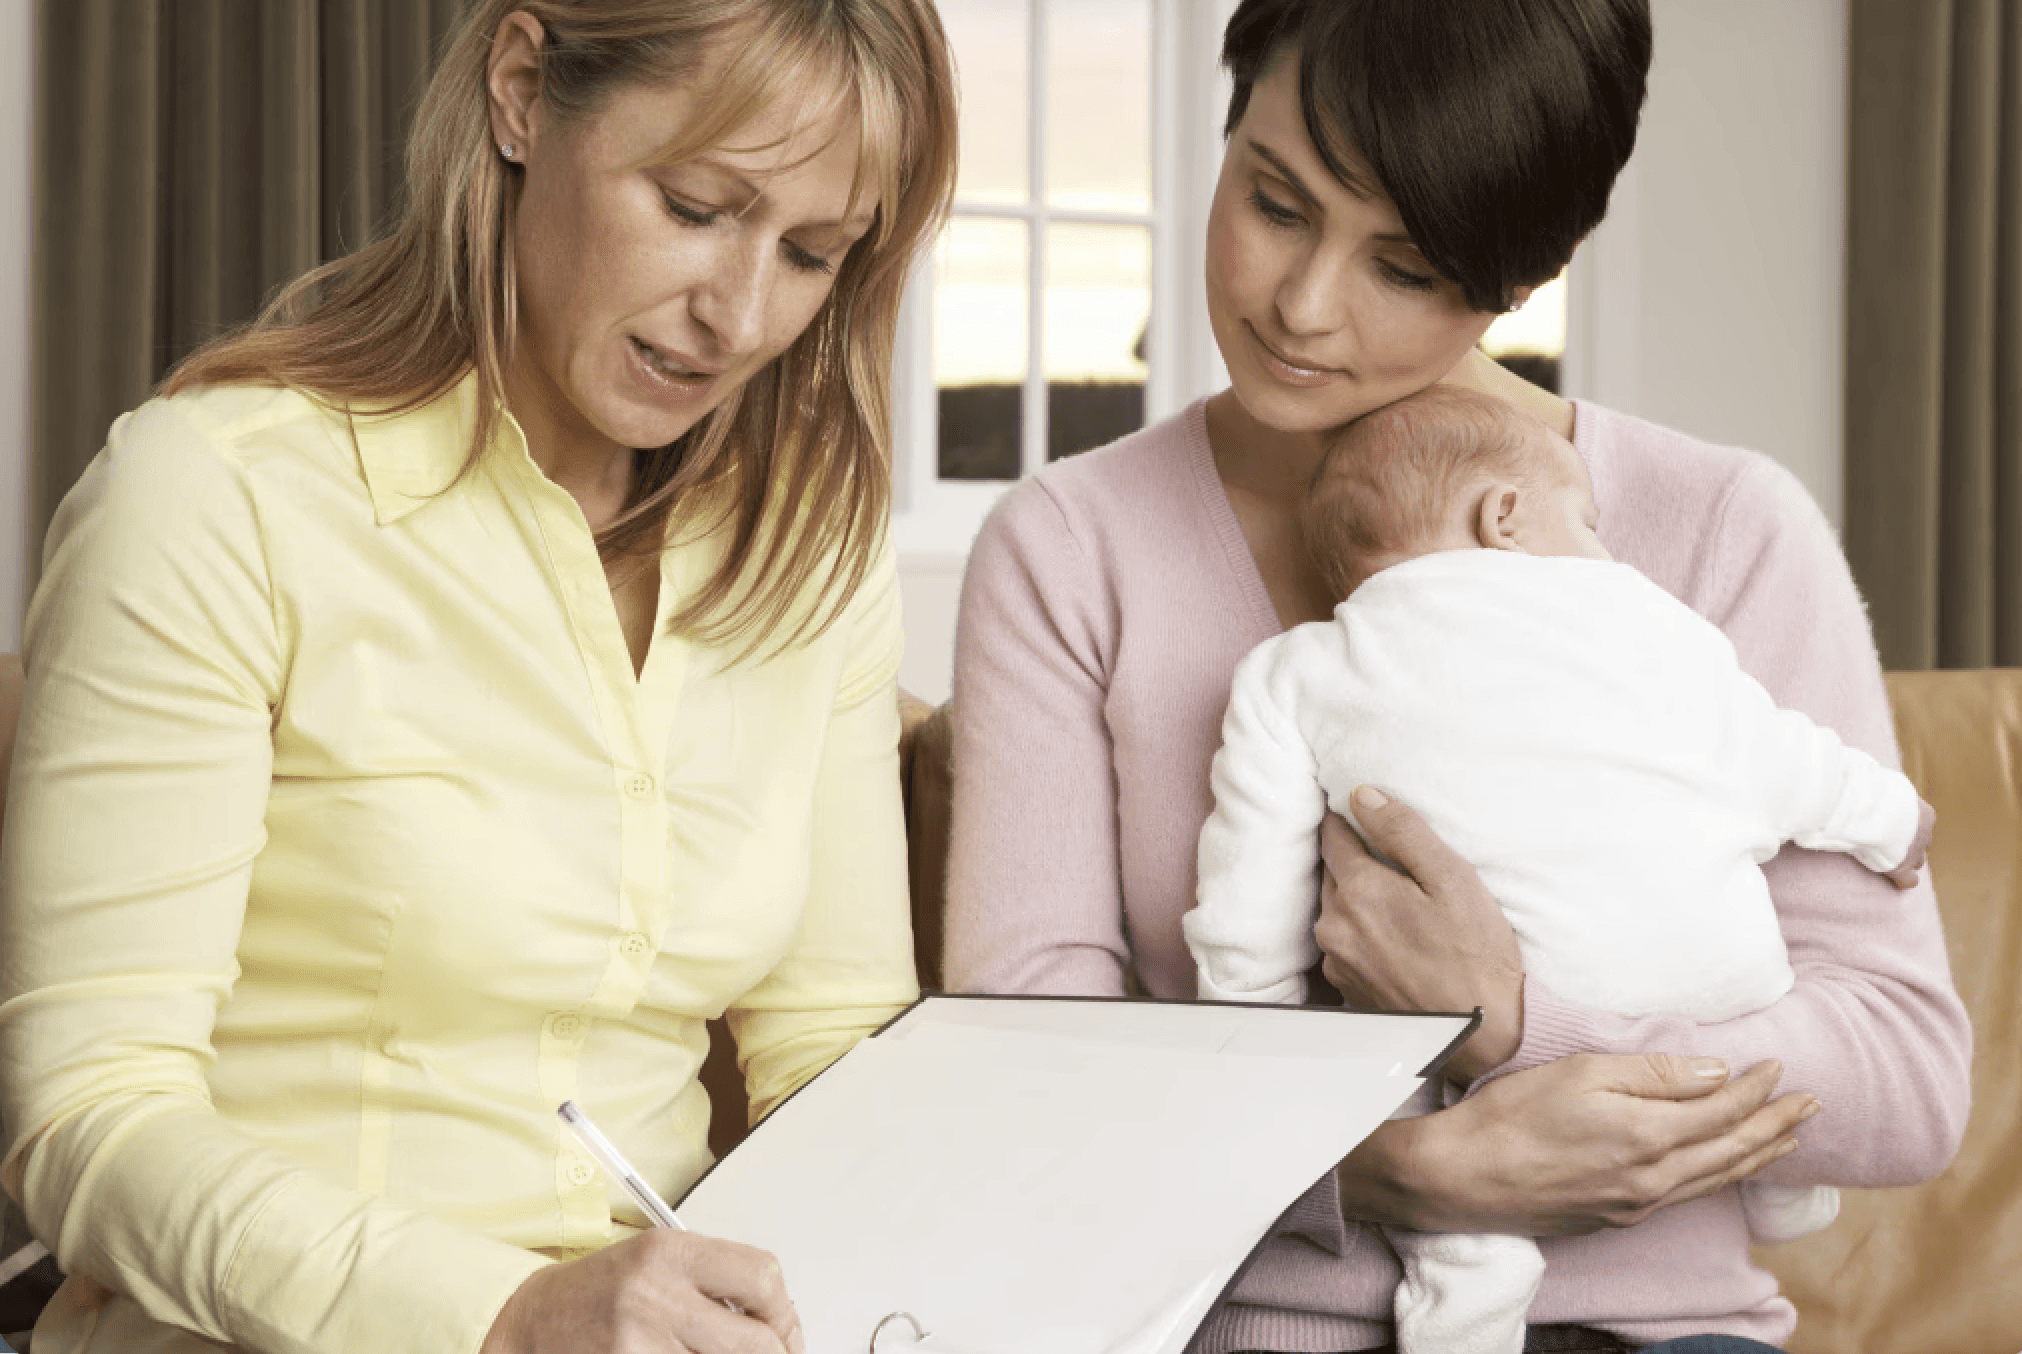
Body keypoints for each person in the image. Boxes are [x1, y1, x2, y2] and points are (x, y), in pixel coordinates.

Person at [943, 0, 1971, 1350]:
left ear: (1527, 270)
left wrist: (1523, 1025)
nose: (1301, 305)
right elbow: (1030, 1085)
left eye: (1405, 266)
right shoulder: (1072, 550)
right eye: (1273, 200)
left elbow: (1902, 1069)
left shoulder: (1719, 529)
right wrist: (1387, 1170)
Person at [0, 3, 956, 1353]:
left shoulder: (810, 547)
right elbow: (89, 1117)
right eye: (694, 207)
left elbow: (833, 1054)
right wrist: (499, 1313)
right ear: (521, 93)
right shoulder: (217, 496)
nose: (739, 315)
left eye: (809, 252)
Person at [1183, 387, 1935, 1354]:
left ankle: (1465, 1306)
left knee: (1444, 1113)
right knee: (1762, 1018)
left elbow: (1248, 882)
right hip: (1717, 968)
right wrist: (1885, 820)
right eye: (1586, 521)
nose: (1603, 548)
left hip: (1471, 1003)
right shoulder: (1642, 614)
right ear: (1505, 517)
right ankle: (1782, 1181)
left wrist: (1253, 1016)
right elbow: (1774, 756)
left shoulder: (1299, 668)